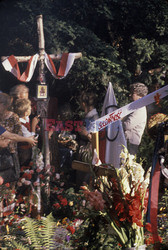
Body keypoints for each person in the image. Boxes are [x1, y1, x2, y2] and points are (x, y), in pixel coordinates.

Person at [76, 91, 99, 189]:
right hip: (85, 151)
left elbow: (95, 138)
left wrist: (86, 134)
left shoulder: (94, 118)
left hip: (89, 153)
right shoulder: (89, 116)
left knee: (85, 180)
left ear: (84, 104)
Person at [122, 82, 148, 155]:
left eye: (133, 93)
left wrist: (119, 121)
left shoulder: (139, 108)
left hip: (131, 143)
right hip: (127, 142)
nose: (130, 95)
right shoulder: (136, 107)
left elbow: (127, 125)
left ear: (140, 95)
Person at [13, 98, 39, 166]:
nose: (31, 109)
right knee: (25, 167)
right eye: (30, 108)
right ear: (26, 113)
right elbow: (31, 139)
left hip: (27, 149)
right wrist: (33, 125)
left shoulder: (26, 118)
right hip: (24, 151)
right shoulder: (20, 125)